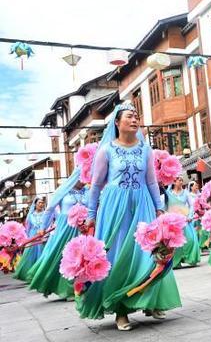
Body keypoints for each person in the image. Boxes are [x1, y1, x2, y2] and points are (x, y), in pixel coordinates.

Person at [79, 103, 181, 331]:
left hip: (143, 202)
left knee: (149, 253)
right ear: (117, 122)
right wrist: (91, 215)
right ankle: (120, 310)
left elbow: (152, 181)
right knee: (118, 255)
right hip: (115, 207)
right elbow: (95, 186)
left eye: (136, 116)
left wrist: (159, 207)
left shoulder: (146, 149)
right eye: (129, 116)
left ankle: (151, 301)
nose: (134, 119)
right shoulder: (106, 150)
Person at [27, 171, 88, 299]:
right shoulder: (63, 190)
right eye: (83, 177)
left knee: (84, 257)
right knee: (64, 257)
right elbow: (49, 209)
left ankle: (83, 286)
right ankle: (67, 289)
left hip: (84, 228)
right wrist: (43, 227)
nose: (84, 180)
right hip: (66, 228)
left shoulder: (88, 191)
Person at [166, 176, 201, 267]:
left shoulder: (185, 193)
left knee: (190, 240)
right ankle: (176, 262)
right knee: (175, 242)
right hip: (173, 222)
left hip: (184, 220)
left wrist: (190, 216)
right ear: (174, 181)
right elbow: (165, 206)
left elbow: (192, 206)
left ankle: (191, 258)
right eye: (179, 180)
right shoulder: (169, 193)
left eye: (182, 180)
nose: (181, 181)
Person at [13, 196, 48, 282]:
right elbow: (27, 228)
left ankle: (41, 275)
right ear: (35, 204)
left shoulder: (46, 214)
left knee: (42, 255)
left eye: (42, 203)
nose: (41, 204)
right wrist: (27, 240)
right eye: (39, 203)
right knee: (30, 256)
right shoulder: (30, 216)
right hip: (32, 236)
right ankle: (30, 275)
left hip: (44, 235)